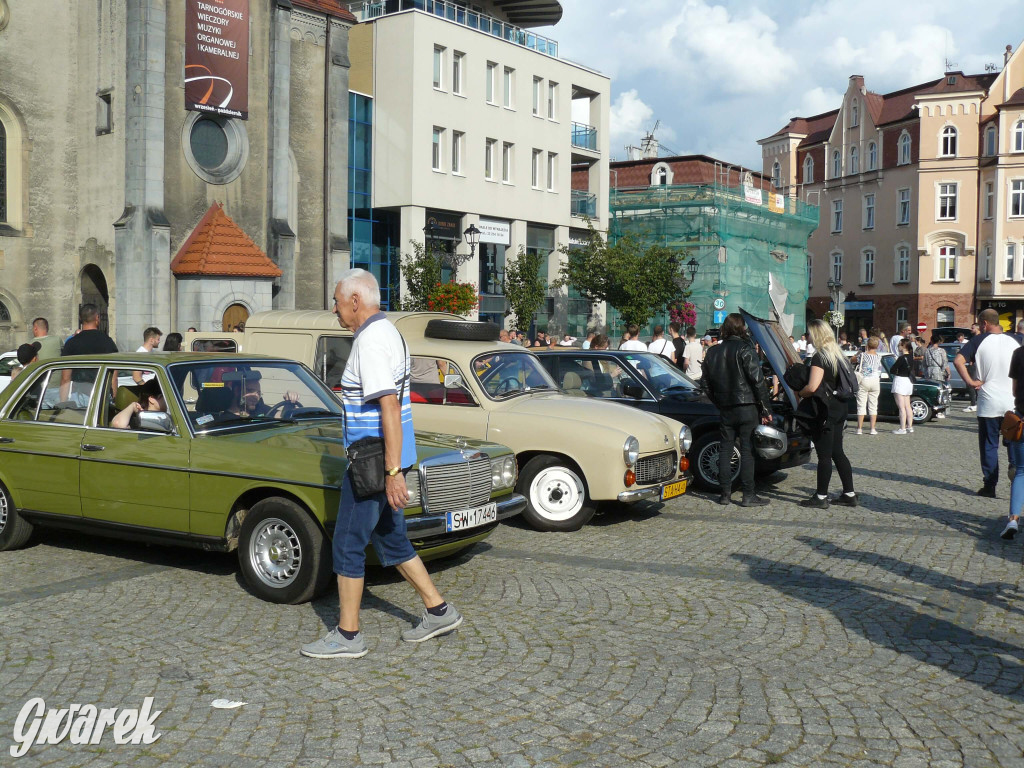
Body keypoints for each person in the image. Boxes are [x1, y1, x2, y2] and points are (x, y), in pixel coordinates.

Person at [301, 269, 461, 659]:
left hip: (373, 462)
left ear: (356, 301)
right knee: (391, 538)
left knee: (348, 543)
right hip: (390, 457)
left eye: (337, 302)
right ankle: (438, 610)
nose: (335, 310)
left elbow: (389, 406)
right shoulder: (391, 333)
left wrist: (390, 473)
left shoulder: (370, 343)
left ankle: (348, 635)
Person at [701, 313, 773, 507]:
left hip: (726, 407)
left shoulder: (713, 352)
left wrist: (718, 401)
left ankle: (725, 494)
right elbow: (757, 382)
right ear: (742, 329)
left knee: (726, 448)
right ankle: (748, 495)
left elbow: (705, 384)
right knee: (748, 450)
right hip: (747, 406)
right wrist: (766, 409)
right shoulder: (745, 349)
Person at [954, 308, 1020, 498]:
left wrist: (970, 382)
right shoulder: (1015, 340)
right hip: (1012, 402)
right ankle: (1016, 479)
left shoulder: (978, 340)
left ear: (984, 323)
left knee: (989, 445)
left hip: (989, 402)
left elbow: (959, 361)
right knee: (1014, 443)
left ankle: (989, 486)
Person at [797, 319, 857, 508]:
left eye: (809, 333)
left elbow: (813, 386)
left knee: (824, 455)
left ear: (815, 335)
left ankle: (821, 497)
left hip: (826, 409)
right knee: (838, 452)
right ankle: (849, 493)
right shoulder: (838, 354)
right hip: (840, 407)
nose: (807, 336)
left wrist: (800, 393)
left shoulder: (819, 357)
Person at [61, 304, 118, 401]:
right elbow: (114, 377)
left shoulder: (71, 343)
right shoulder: (108, 342)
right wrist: (114, 400)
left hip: (79, 395)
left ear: (80, 319)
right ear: (97, 318)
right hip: (102, 394)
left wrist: (62, 403)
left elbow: (65, 378)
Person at [1003, 341, 1024, 538]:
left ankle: (1013, 519)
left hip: (1022, 419)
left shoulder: (1019, 353)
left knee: (1021, 472)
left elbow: (1015, 390)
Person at [854, 336, 882, 435]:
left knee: (861, 405)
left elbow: (852, 360)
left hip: (864, 380)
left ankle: (859, 429)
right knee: (873, 405)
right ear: (877, 346)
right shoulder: (879, 356)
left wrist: (859, 352)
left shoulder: (862, 355)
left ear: (867, 345)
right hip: (875, 381)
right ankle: (872, 429)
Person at [890, 338, 915, 434]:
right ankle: (910, 426)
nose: (898, 347)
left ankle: (902, 428)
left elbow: (892, 370)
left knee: (901, 407)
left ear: (903, 346)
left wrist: (897, 371)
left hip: (900, 380)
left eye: (899, 345)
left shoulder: (901, 358)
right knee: (907, 405)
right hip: (908, 381)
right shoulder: (911, 357)